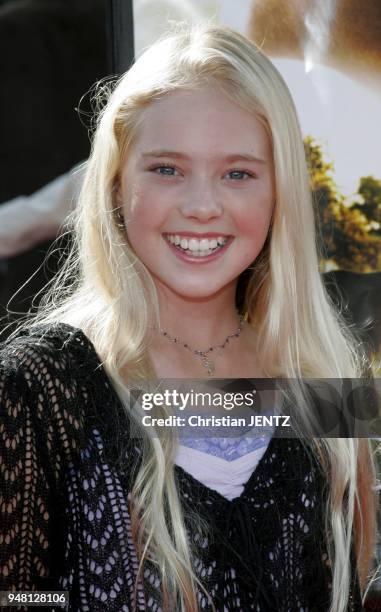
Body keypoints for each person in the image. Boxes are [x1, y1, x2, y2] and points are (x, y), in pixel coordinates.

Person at [0, 23, 378, 612]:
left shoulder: (325, 380)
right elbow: (18, 597)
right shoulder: (41, 386)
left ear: (279, 193)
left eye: (238, 173)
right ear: (116, 183)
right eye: (167, 169)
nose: (202, 206)